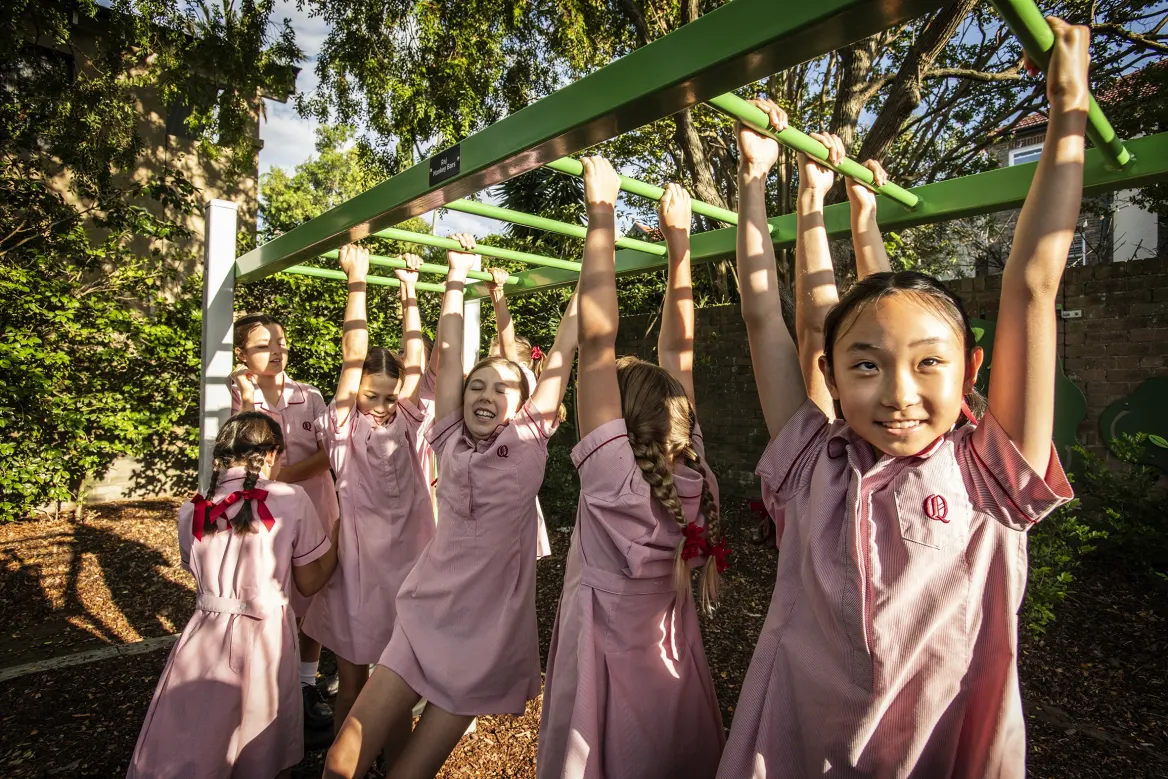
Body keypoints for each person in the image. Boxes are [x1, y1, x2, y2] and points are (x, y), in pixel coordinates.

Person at [717, 18, 1085, 778]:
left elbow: (1033, 286)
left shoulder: (989, 474)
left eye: (928, 364)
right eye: (866, 367)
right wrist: (754, 180)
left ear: (970, 368)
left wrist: (1066, 111)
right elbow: (766, 316)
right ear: (831, 374)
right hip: (798, 747)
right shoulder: (812, 462)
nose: (899, 394)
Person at [324, 236, 579, 779]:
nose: (485, 394)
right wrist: (456, 277)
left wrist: (589, 273)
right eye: (476, 387)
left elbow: (566, 346)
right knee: (341, 760)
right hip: (422, 614)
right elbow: (450, 353)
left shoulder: (530, 439)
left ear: (525, 406)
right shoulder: (448, 436)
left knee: (409, 772)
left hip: (482, 635)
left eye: (501, 389)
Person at [538, 163, 726, 779]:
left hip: (602, 659)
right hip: (668, 664)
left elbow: (597, 340)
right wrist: (679, 243)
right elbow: (679, 352)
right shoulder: (695, 471)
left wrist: (602, 212)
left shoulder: (613, 475)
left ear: (618, 421)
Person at [127, 412, 338, 779]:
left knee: (197, 736)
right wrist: (338, 539)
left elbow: (193, 567)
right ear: (271, 454)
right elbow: (309, 582)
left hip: (202, 635)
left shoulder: (191, 509)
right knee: (264, 741)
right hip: (267, 636)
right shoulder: (291, 498)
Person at [301, 248, 435, 734]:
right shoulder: (343, 426)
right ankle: (347, 756)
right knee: (355, 679)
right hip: (360, 567)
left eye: (388, 396)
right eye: (370, 394)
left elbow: (415, 359)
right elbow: (353, 354)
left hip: (412, 559)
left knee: (401, 675)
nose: (380, 405)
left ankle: (392, 751)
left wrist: (409, 290)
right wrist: (356, 278)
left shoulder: (409, 417)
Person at [229, 312, 340, 734]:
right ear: (241, 354)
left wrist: (286, 475)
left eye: (280, 342)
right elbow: (238, 453)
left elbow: (331, 451)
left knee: (316, 599)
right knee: (274, 598)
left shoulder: (308, 394)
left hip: (317, 509)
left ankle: (306, 683)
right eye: (264, 345)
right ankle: (273, 686)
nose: (277, 351)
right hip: (265, 519)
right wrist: (247, 398)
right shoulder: (235, 395)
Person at [484, 266, 553, 559]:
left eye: (494, 355)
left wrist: (498, 294)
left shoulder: (521, 376)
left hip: (509, 467)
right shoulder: (498, 382)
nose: (489, 362)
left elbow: (508, 343)